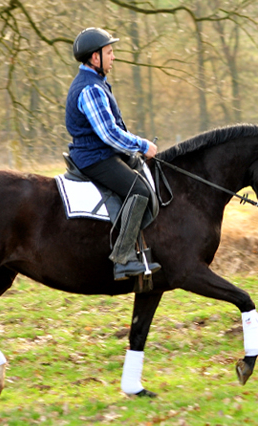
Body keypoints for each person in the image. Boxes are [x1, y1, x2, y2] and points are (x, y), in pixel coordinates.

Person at [65, 27, 161, 281]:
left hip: (100, 153)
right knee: (139, 191)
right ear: (95, 58)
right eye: (109, 52)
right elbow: (108, 133)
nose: (113, 57)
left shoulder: (96, 83)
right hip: (95, 158)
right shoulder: (91, 89)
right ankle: (123, 259)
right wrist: (141, 145)